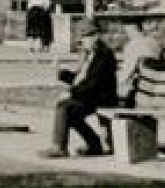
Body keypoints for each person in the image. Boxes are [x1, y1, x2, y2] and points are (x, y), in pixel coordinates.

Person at [41, 19, 117, 158]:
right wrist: (61, 74)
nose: (81, 43)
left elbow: (93, 83)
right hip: (91, 95)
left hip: (101, 97)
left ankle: (59, 147)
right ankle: (94, 145)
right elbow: (80, 79)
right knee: (71, 113)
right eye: (80, 41)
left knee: (64, 107)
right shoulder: (89, 54)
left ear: (95, 36)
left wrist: (71, 93)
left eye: (84, 39)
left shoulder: (103, 55)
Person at [116, 16, 165, 106]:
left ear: (130, 29)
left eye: (125, 30)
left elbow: (128, 72)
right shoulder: (155, 43)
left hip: (142, 90)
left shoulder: (133, 45)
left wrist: (116, 83)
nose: (125, 33)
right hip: (156, 86)